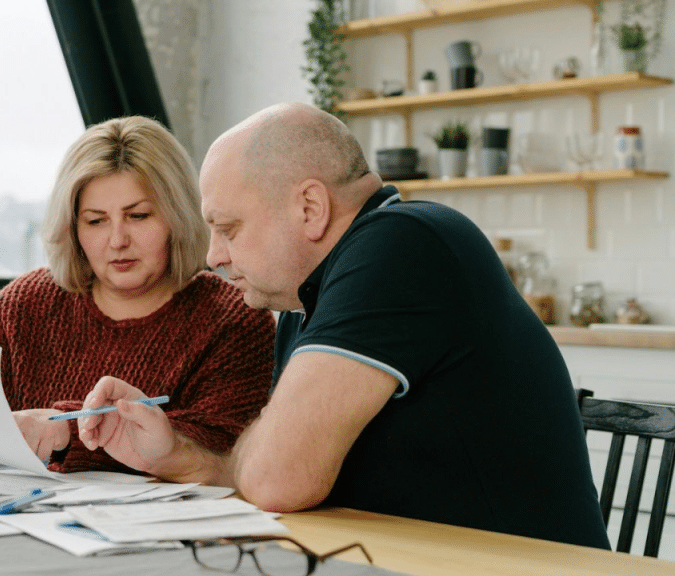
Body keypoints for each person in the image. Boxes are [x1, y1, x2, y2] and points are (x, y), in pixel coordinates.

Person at [76, 102, 611, 549]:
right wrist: (177, 455)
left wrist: (262, 453)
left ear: (310, 207)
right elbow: (272, 468)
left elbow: (275, 479)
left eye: (228, 228)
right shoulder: (308, 299)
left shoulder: (403, 244)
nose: (214, 255)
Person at [0, 115, 275, 474]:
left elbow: (222, 448)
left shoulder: (235, 317)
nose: (118, 241)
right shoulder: (29, 302)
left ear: (177, 216)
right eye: (95, 221)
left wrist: (64, 434)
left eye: (138, 216)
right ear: (72, 228)